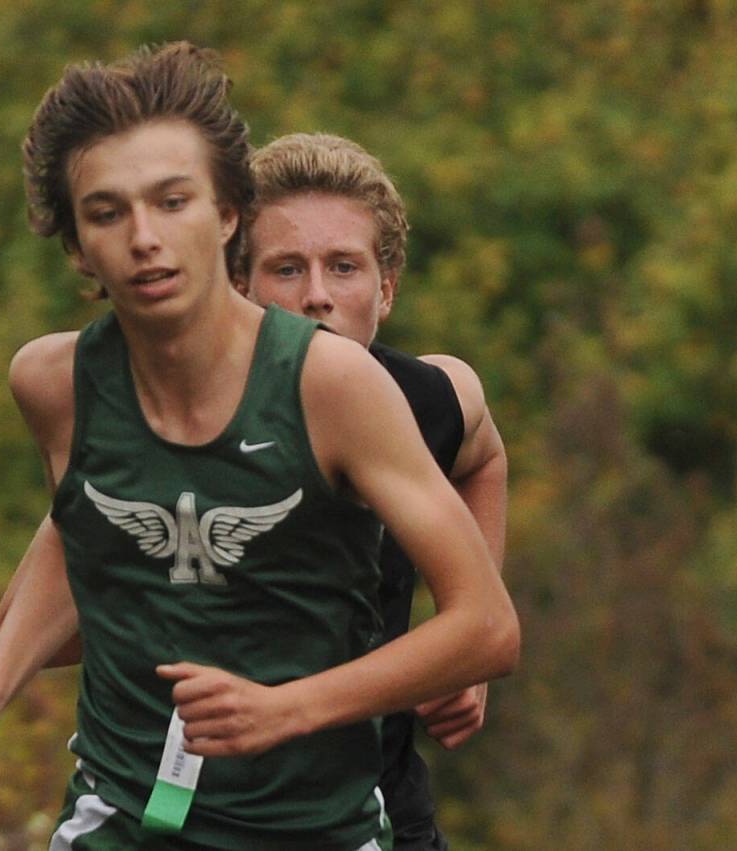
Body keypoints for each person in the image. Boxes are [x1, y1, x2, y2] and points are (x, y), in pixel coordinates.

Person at [0, 43, 519, 851]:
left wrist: (287, 705)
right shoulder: (55, 384)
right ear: (76, 245)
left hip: (318, 821)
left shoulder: (351, 387)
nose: (144, 238)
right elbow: (82, 546)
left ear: (225, 214)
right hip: (121, 817)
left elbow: (489, 623)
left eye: (171, 202)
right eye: (106, 212)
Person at [233, 133, 508, 850]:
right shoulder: (182, 418)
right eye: (286, 268)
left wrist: (463, 636)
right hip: (213, 812)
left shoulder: (428, 397)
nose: (317, 295)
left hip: (385, 804)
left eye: (344, 267)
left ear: (385, 288)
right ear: (240, 287)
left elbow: (484, 454)